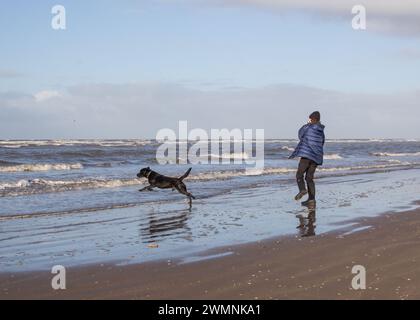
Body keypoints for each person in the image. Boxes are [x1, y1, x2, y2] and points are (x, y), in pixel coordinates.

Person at [289, 111, 325, 208]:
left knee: (299, 174)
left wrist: (307, 124)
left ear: (312, 118)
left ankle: (302, 190)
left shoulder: (308, 127)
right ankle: (311, 200)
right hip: (316, 157)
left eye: (309, 118)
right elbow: (322, 142)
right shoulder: (321, 130)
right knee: (309, 178)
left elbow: (300, 135)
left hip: (306, 155)